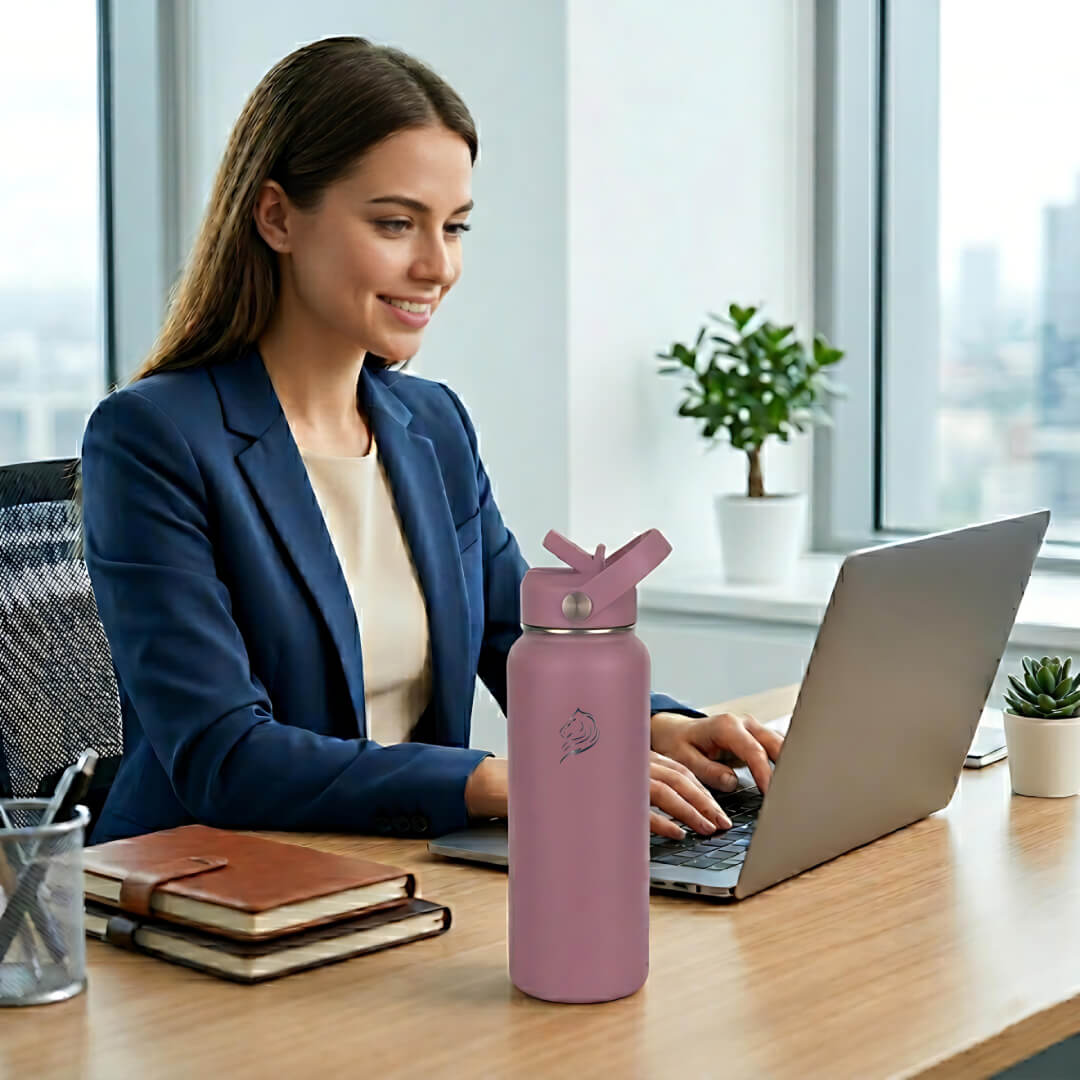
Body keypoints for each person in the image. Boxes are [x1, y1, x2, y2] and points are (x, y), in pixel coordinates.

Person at [80, 36, 783, 847]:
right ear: (276, 216)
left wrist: (650, 728)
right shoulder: (153, 438)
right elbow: (223, 755)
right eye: (395, 223)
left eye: (454, 228)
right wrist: (501, 781)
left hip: (410, 880)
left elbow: (521, 639)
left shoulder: (431, 426)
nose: (436, 265)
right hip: (222, 896)